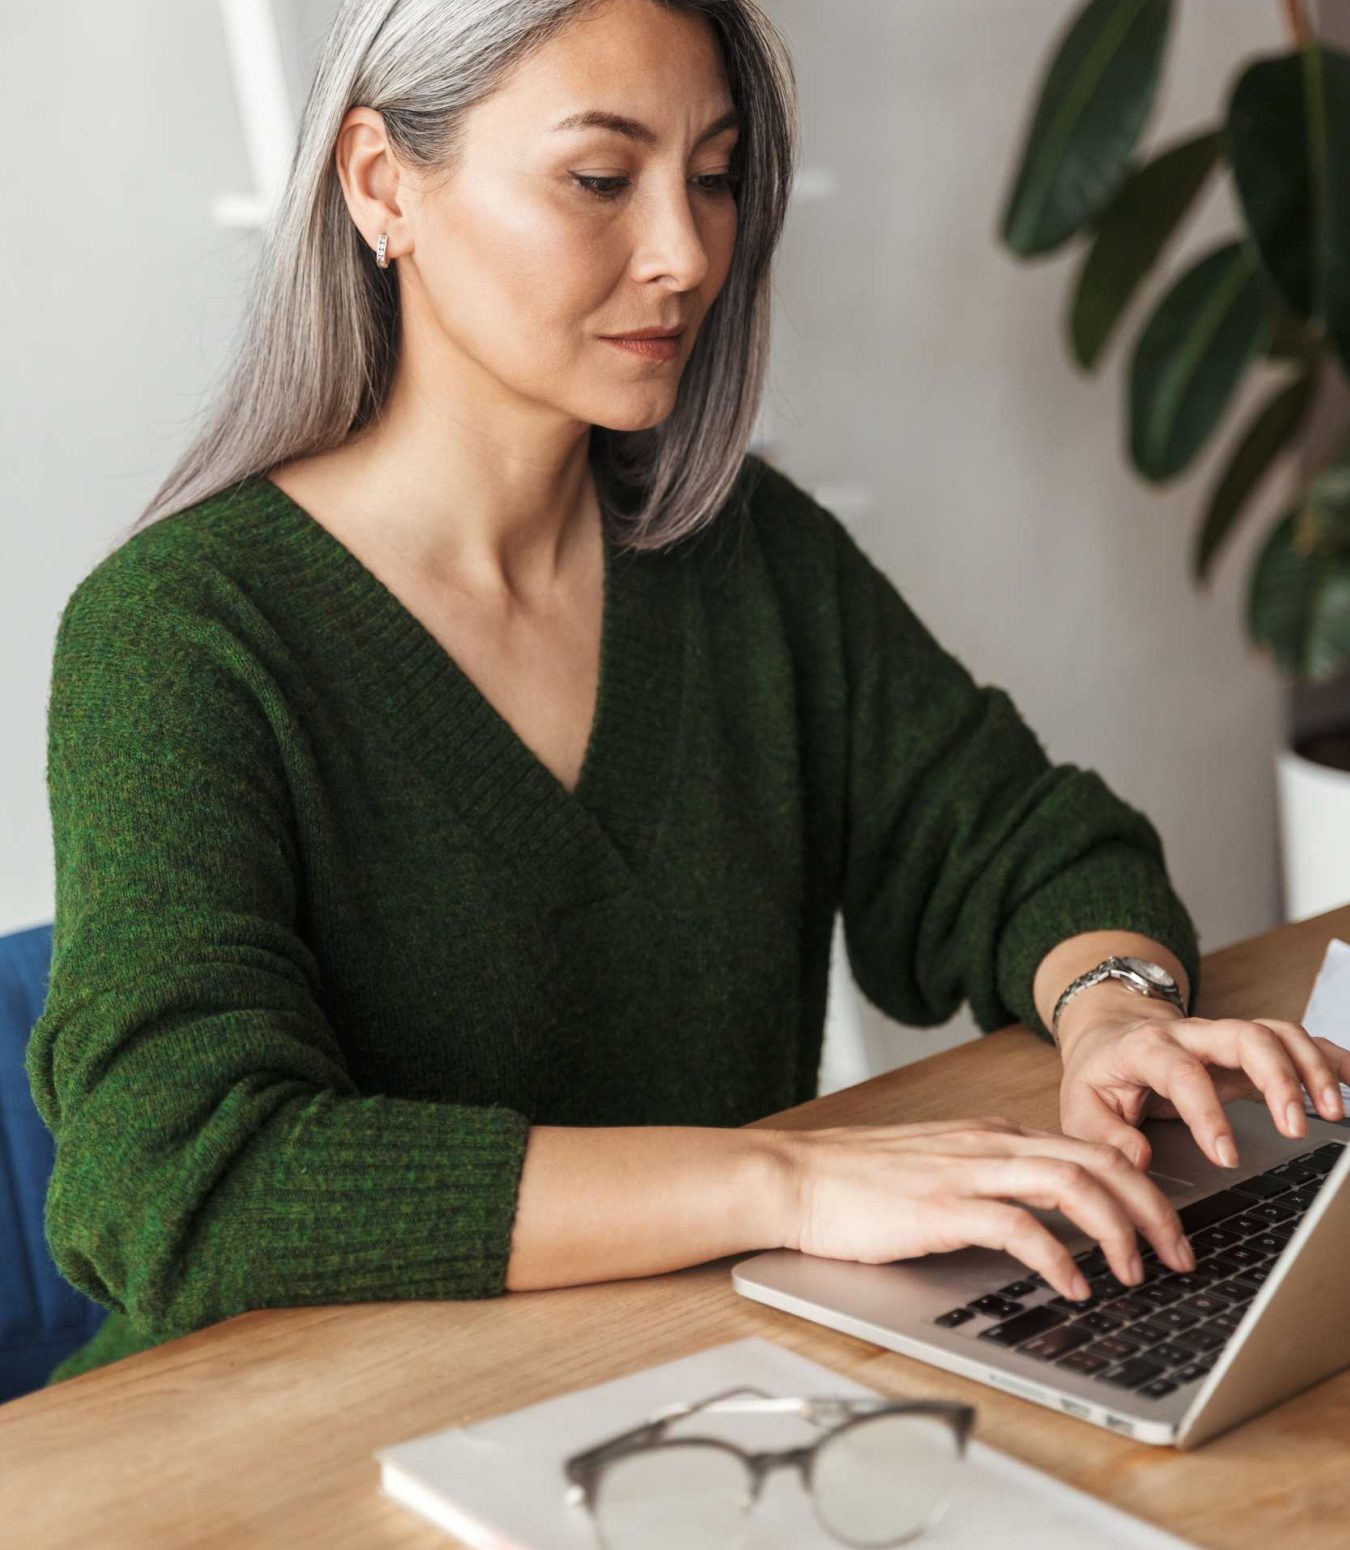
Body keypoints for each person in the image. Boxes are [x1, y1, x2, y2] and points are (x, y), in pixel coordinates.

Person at [29, 0, 1350, 1387]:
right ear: (380, 184)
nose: (684, 253)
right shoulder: (181, 635)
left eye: (713, 176)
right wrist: (782, 1183)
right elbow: (178, 1178)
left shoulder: (742, 555)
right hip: (270, 1441)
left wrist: (1115, 1010)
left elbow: (1020, 840)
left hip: (684, 1385)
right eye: (600, 179)